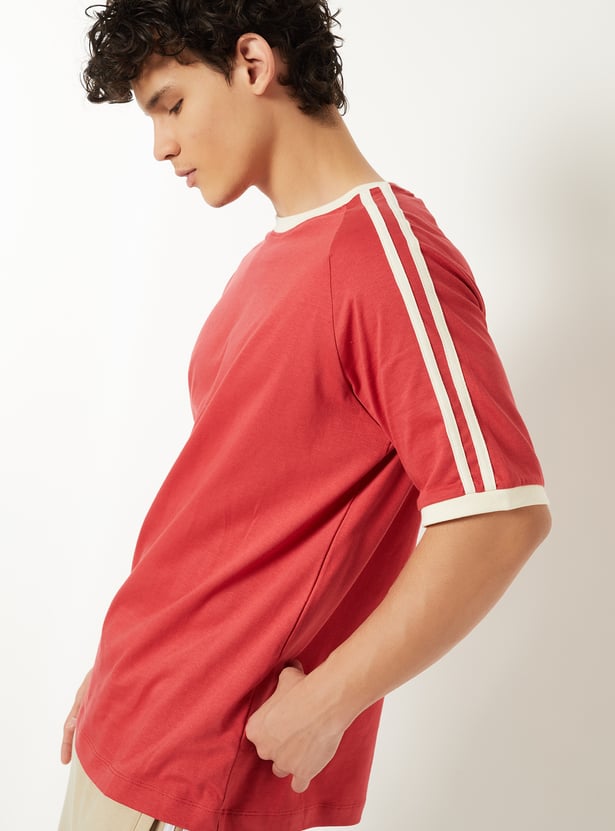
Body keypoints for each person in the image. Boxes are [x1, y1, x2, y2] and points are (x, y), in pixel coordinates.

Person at [58, 2, 551, 830]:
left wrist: (328, 701)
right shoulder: (273, 258)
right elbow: (220, 510)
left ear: (253, 65)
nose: (161, 146)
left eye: (171, 105)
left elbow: (498, 515)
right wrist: (120, 664)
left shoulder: (385, 257)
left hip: (205, 758)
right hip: (129, 722)